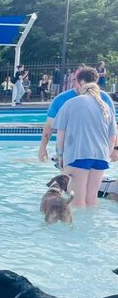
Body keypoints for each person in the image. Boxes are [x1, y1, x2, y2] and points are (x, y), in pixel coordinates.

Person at [55, 79, 117, 207]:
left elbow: (60, 134)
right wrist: (106, 155)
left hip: (79, 155)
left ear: (82, 91)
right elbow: (113, 137)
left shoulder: (70, 103)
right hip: (101, 158)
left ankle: (78, 227)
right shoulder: (106, 107)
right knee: (91, 199)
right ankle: (92, 225)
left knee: (77, 199)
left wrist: (60, 156)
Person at [37, 66, 116, 163]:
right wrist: (43, 147)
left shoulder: (104, 98)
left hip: (96, 153)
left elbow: (112, 127)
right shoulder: (61, 99)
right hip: (71, 153)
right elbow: (49, 126)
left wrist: (115, 148)